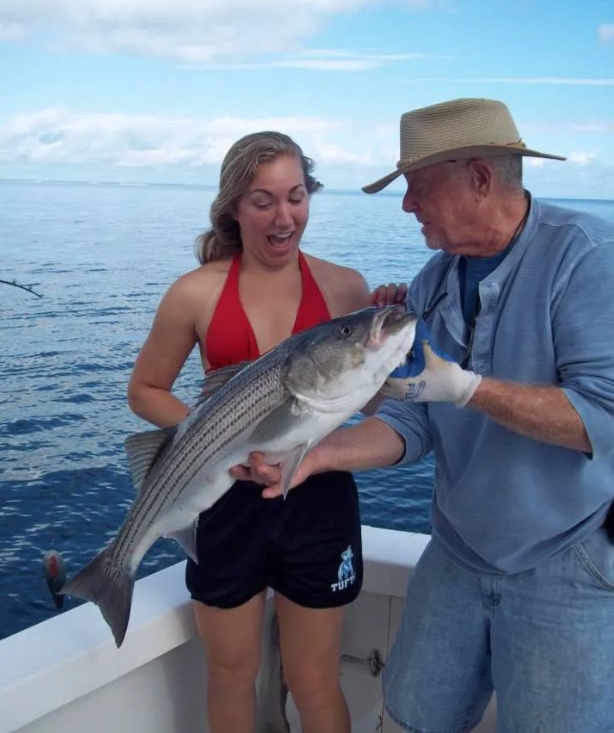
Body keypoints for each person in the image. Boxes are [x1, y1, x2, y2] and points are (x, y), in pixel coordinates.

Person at [236, 99, 614, 733]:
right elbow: (415, 425)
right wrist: (314, 458)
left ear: (481, 178)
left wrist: (467, 388)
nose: (408, 205)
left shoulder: (588, 258)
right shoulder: (435, 280)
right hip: (457, 553)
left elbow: (603, 416)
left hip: (566, 559)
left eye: (418, 187)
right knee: (410, 719)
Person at [127, 130, 404, 733]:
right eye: (263, 201)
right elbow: (144, 389)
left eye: (296, 197)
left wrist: (398, 353)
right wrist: (214, 437)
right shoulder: (195, 292)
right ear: (233, 207)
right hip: (224, 501)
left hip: (319, 498)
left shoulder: (344, 288)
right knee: (231, 673)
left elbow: (376, 404)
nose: (285, 217)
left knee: (313, 677)